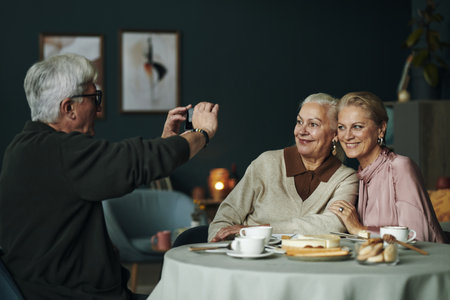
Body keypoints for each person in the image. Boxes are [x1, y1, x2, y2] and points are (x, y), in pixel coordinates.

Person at [0, 53, 219, 300]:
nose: (99, 106)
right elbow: (135, 161)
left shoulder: (24, 148)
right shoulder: (62, 152)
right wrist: (202, 133)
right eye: (95, 98)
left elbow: (126, 167)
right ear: (69, 108)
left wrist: (167, 143)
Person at [208, 93, 358, 242]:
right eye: (299, 122)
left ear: (335, 133)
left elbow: (333, 223)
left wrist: (257, 230)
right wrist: (217, 245)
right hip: (251, 259)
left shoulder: (345, 178)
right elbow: (225, 216)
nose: (302, 131)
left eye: (313, 124)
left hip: (306, 264)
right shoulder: (266, 163)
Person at [329, 91, 446, 243]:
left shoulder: (400, 167)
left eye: (357, 127)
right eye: (342, 127)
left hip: (427, 263)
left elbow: (418, 237)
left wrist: (360, 229)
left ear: (381, 128)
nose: (347, 136)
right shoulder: (360, 175)